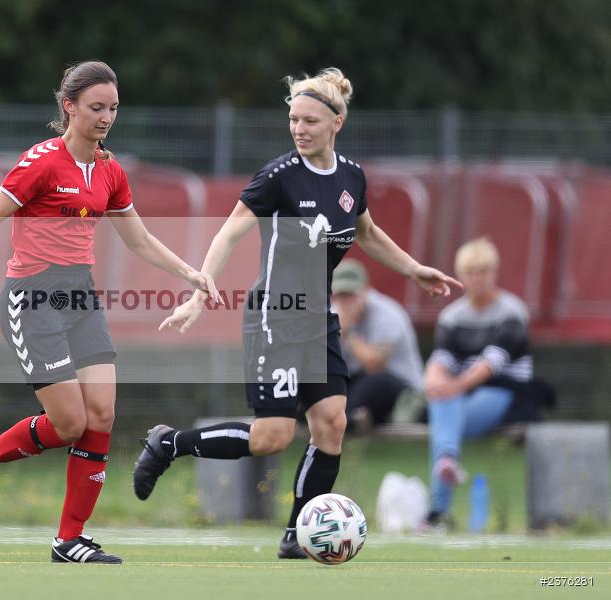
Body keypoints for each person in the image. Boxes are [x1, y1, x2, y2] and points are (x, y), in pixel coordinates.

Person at [133, 67, 461, 559]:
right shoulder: (279, 177)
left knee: (332, 422)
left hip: (317, 318)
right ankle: (169, 444)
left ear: (337, 123)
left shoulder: (350, 176)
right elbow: (229, 233)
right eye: (293, 119)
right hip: (274, 318)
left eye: (309, 120)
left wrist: (414, 268)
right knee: (273, 436)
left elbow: (367, 233)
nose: (299, 129)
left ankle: (297, 535)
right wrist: (201, 288)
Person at [0, 60, 219, 564]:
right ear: (69, 107)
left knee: (101, 414)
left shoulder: (110, 171)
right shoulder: (40, 162)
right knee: (70, 422)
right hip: (32, 300)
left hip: (81, 299)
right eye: (97, 107)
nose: (106, 117)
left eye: (114, 108)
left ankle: (69, 539)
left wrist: (190, 272)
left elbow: (137, 237)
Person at [422, 237, 548, 529]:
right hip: (461, 396)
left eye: (483, 270)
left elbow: (490, 365)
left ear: (495, 272)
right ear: (461, 275)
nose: (477, 278)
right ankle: (447, 463)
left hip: (505, 392)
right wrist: (434, 382)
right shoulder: (452, 316)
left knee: (445, 419)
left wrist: (450, 388)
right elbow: (441, 361)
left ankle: (437, 510)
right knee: (442, 403)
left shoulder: (512, 312)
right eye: (471, 271)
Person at [331, 259, 425, 432]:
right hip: (358, 381)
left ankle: (349, 418)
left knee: (374, 382)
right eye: (341, 295)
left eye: (351, 294)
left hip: (401, 388)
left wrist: (348, 333)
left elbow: (375, 365)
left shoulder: (388, 314)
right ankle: (338, 417)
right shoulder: (332, 313)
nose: (346, 301)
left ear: (365, 290)